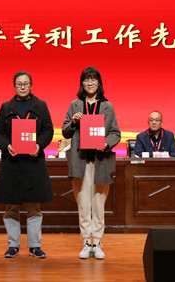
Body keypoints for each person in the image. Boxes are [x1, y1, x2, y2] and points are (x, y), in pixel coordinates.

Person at [62, 67, 121, 260]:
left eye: (93, 79)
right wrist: (73, 122)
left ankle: (98, 241)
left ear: (99, 83)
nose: (90, 83)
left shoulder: (107, 106)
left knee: (98, 204)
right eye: (86, 79)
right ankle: (87, 242)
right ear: (82, 83)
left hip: (100, 161)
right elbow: (65, 131)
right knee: (83, 203)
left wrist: (107, 143)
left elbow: (115, 133)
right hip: (80, 162)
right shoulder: (75, 105)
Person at [0, 71, 54, 259]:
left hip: (34, 163)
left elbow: (48, 130)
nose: (22, 86)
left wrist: (39, 145)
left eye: (26, 83)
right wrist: (6, 146)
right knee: (11, 207)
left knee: (34, 207)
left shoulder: (41, 106)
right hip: (12, 163)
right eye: (19, 83)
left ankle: (35, 245)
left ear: (31, 85)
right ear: (14, 86)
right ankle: (13, 245)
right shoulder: (6, 107)